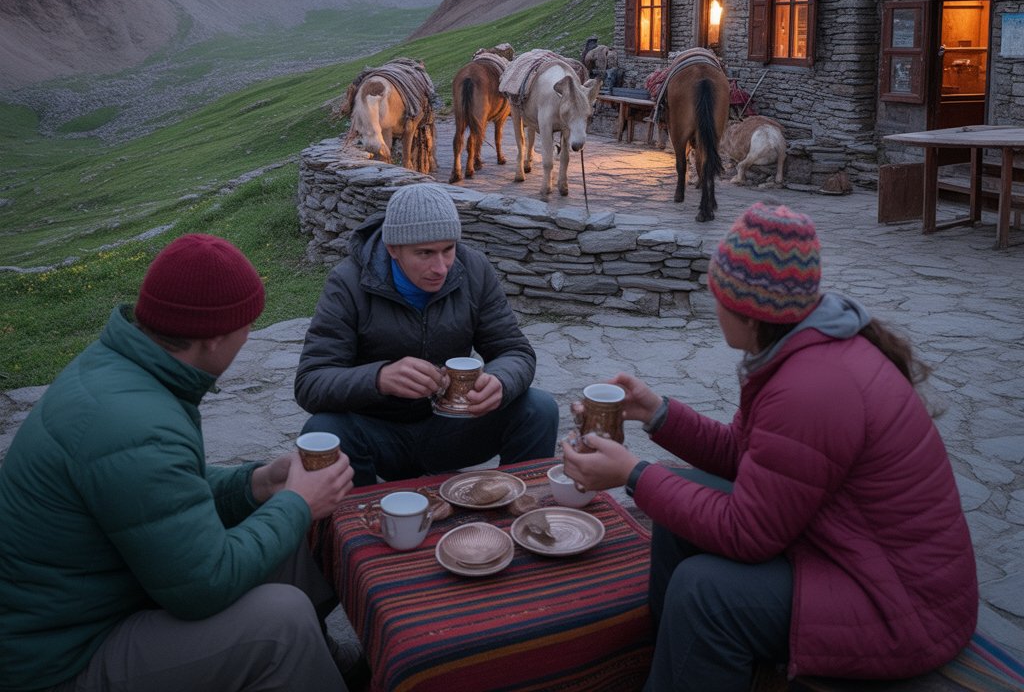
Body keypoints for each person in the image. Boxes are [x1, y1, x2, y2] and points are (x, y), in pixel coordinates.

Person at [562, 202, 978, 691]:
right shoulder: (800, 348)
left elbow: (748, 532)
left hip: (900, 605)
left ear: (748, 310)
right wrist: (657, 412)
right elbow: (749, 457)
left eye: (718, 293)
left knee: (705, 594)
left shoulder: (811, 387)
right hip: (847, 552)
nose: (712, 303)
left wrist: (633, 475)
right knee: (680, 509)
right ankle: (674, 666)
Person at [0, 234, 360, 692]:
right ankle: (296, 661)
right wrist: (296, 505)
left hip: (102, 603)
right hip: (63, 659)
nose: (248, 338)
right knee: (280, 623)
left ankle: (327, 662)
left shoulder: (120, 368)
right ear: (213, 339)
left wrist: (255, 485)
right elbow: (203, 587)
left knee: (292, 538)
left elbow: (161, 499)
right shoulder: (134, 423)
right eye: (247, 326)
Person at [295, 182, 559, 487]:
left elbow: (515, 351)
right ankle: (358, 524)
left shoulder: (473, 270)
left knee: (538, 409)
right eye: (425, 253)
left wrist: (501, 382)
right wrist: (379, 378)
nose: (441, 267)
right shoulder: (348, 283)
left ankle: (522, 513)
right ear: (393, 249)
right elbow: (310, 383)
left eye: (448, 249)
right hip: (378, 433)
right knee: (322, 431)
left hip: (452, 428)